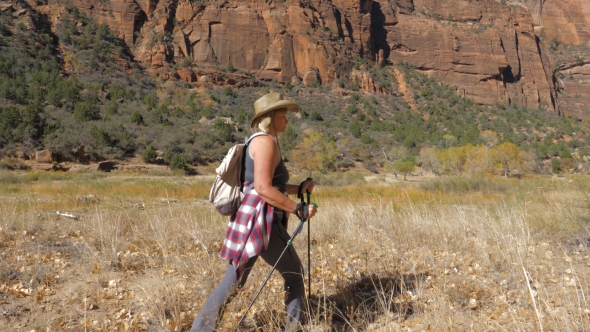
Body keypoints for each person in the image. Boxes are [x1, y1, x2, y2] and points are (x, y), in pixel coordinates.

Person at [191, 92, 318, 332]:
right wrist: (298, 208)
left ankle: (201, 329)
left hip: (248, 217)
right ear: (271, 118)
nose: (288, 121)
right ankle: (295, 327)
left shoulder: (258, 141)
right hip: (262, 220)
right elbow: (262, 188)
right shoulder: (266, 142)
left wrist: (298, 189)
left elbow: (266, 185)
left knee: (234, 280)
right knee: (294, 275)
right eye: (284, 116)